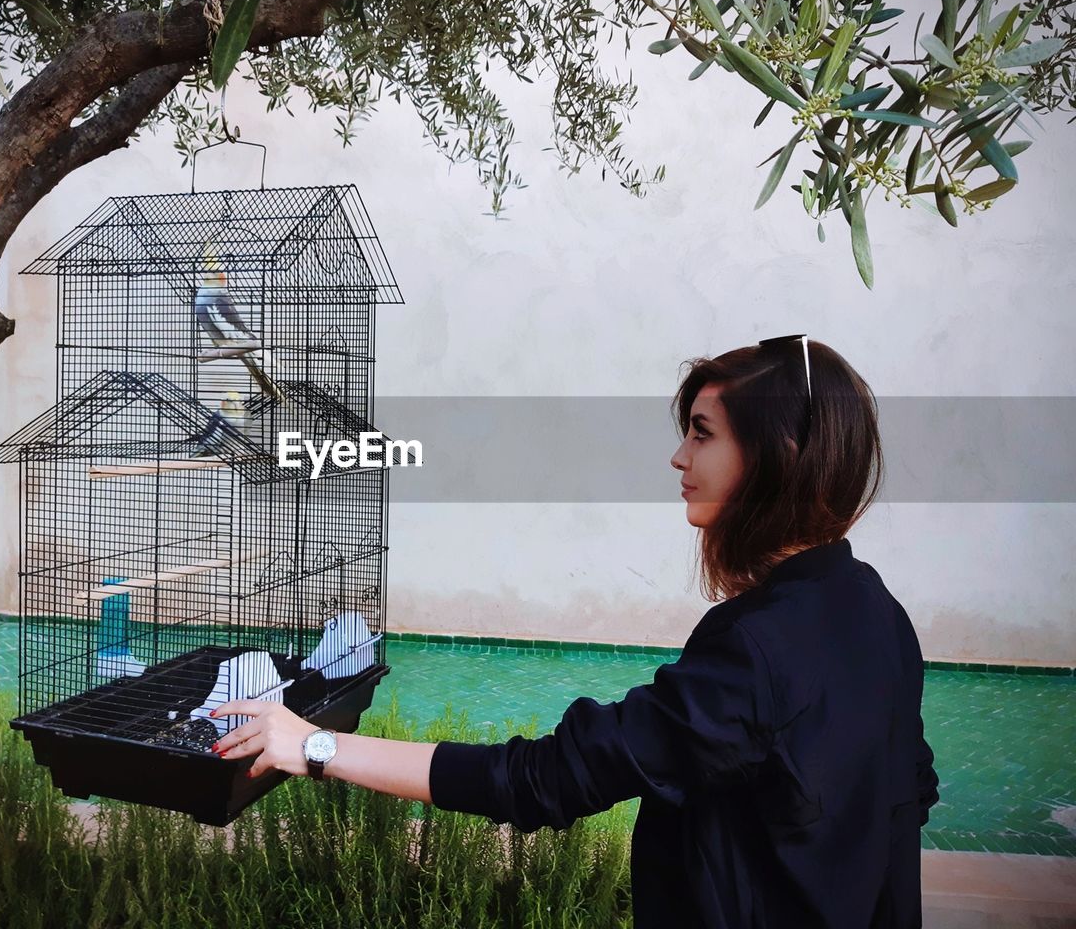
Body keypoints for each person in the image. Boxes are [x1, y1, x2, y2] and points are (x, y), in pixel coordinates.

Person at [211, 336, 941, 929]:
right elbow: (904, 797)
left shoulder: (757, 649)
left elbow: (546, 779)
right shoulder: (875, 611)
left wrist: (312, 744)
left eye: (702, 434)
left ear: (777, 455)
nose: (680, 458)